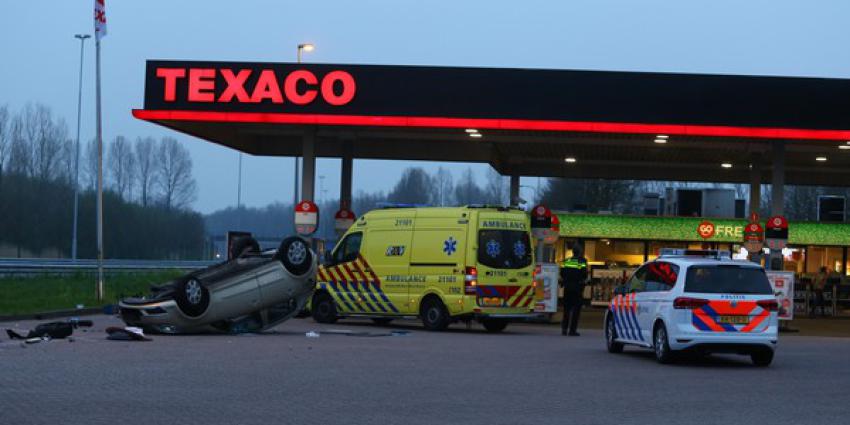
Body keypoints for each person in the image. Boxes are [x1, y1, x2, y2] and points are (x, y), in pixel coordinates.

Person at [560, 242, 588, 336]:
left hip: (567, 288)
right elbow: (584, 274)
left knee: (566, 310)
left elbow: (562, 273)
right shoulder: (582, 262)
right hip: (577, 289)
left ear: (572, 252)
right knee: (576, 311)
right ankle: (572, 330)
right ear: (580, 252)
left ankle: (564, 329)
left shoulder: (566, 261)